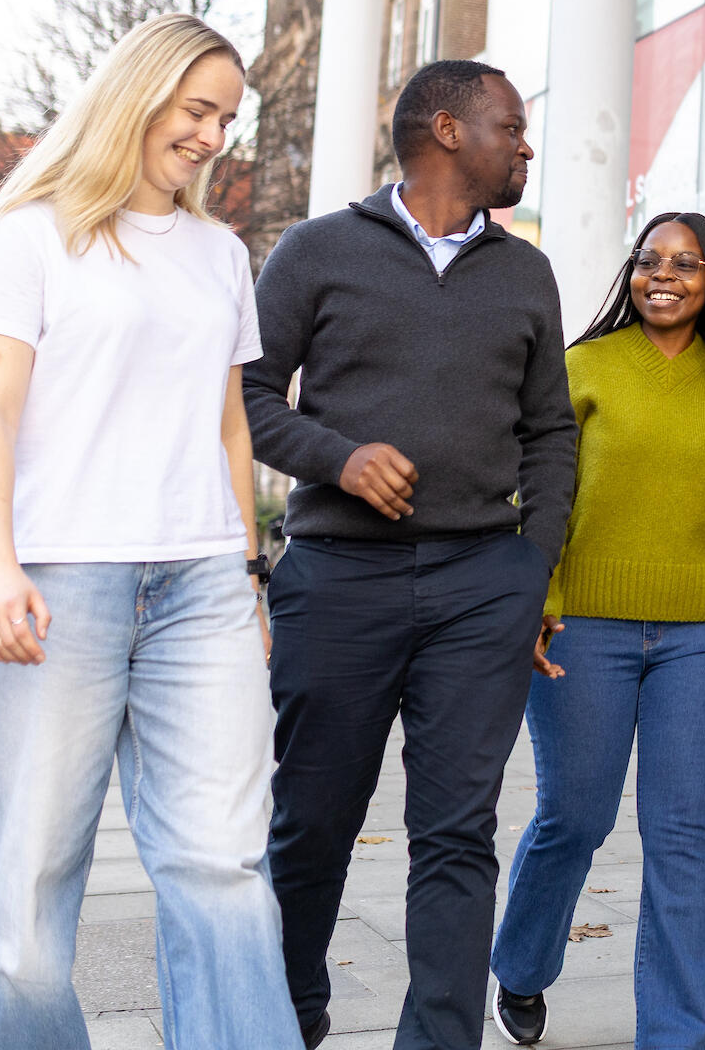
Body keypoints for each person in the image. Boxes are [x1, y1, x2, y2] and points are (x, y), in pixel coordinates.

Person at [0, 13, 300, 1049]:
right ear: (135, 95)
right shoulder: (30, 237)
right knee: (25, 884)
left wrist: (246, 575)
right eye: (197, 109)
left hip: (201, 585)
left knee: (224, 867)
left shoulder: (221, 254)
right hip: (59, 583)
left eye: (228, 117)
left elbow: (230, 425)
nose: (213, 136)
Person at [244, 59, 577, 1050]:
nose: (525, 144)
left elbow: (550, 430)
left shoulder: (527, 271)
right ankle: (288, 1011)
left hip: (484, 586)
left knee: (456, 835)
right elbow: (248, 398)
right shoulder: (316, 250)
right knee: (311, 822)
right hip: (338, 580)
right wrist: (338, 460)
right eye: (510, 125)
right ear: (445, 129)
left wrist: (533, 565)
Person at [486, 210, 705, 1047]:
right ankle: (523, 963)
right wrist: (531, 602)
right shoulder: (584, 367)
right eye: (651, 260)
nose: (664, 275)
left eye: (686, 264)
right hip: (582, 626)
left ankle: (675, 1034)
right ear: (632, 272)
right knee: (574, 818)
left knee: (682, 836)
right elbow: (533, 496)